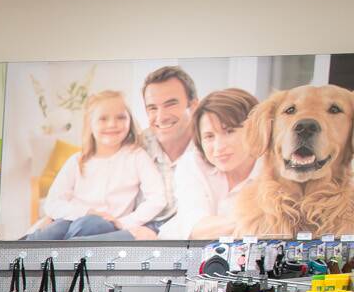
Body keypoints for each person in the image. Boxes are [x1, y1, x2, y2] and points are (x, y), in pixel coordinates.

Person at [25, 90, 167, 240]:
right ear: (90, 123)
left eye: (121, 117)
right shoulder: (77, 160)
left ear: (130, 121)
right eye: (103, 119)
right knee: (53, 230)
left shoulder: (136, 156)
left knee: (91, 224)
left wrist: (125, 222)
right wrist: (86, 212)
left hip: (107, 226)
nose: (112, 124)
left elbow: (158, 198)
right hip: (72, 219)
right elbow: (53, 203)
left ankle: (63, 255)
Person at [164, 88, 260, 240]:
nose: (219, 147)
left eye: (229, 131)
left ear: (255, 129)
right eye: (209, 136)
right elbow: (197, 228)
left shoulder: (273, 168)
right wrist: (259, 224)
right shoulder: (192, 164)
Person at [129, 64, 199, 238]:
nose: (161, 117)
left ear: (194, 105)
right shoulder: (136, 146)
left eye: (171, 104)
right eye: (152, 108)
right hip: (140, 236)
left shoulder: (210, 148)